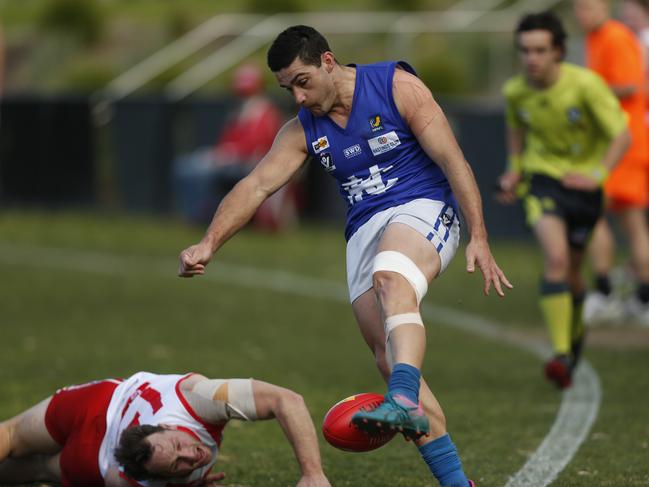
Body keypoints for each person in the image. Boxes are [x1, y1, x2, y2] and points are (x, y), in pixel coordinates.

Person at [179, 25, 512, 487]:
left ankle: (402, 399)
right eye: (286, 88)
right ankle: (456, 481)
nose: (297, 96)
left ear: (328, 62)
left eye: (302, 81)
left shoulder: (397, 87)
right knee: (388, 355)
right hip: (364, 229)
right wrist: (208, 243)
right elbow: (255, 185)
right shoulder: (303, 129)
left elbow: (454, 160)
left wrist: (479, 234)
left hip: (422, 205)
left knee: (392, 278)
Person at [497, 11, 630, 388]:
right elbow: (516, 141)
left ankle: (571, 346)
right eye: (525, 50)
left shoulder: (586, 86)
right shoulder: (515, 92)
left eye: (540, 50)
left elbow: (622, 136)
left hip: (585, 190)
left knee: (572, 275)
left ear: (558, 51)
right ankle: (559, 355)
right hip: (543, 185)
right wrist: (513, 172)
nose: (531, 59)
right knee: (555, 259)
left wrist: (597, 174)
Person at [0, 371, 331, 487]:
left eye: (179, 462)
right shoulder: (197, 402)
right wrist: (312, 473)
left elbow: (288, 402)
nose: (192, 455)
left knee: (15, 437)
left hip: (93, 441)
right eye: (178, 458)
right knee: (36, 465)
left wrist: (312, 473)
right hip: (97, 414)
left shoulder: (198, 401)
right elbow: (285, 400)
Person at [573, 0, 649, 327]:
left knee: (619, 219)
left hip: (625, 143)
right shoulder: (597, 37)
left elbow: (631, 85)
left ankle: (619, 294)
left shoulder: (615, 36)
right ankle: (625, 294)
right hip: (614, 142)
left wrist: (584, 91)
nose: (581, 14)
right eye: (578, 8)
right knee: (601, 215)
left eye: (587, 6)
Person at [173, 63, 297, 230]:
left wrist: (229, 154)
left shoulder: (266, 112)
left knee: (200, 171)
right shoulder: (238, 112)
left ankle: (201, 215)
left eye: (248, 92)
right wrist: (221, 155)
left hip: (252, 164)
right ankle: (199, 214)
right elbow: (225, 142)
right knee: (186, 166)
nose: (245, 96)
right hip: (230, 161)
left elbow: (261, 146)